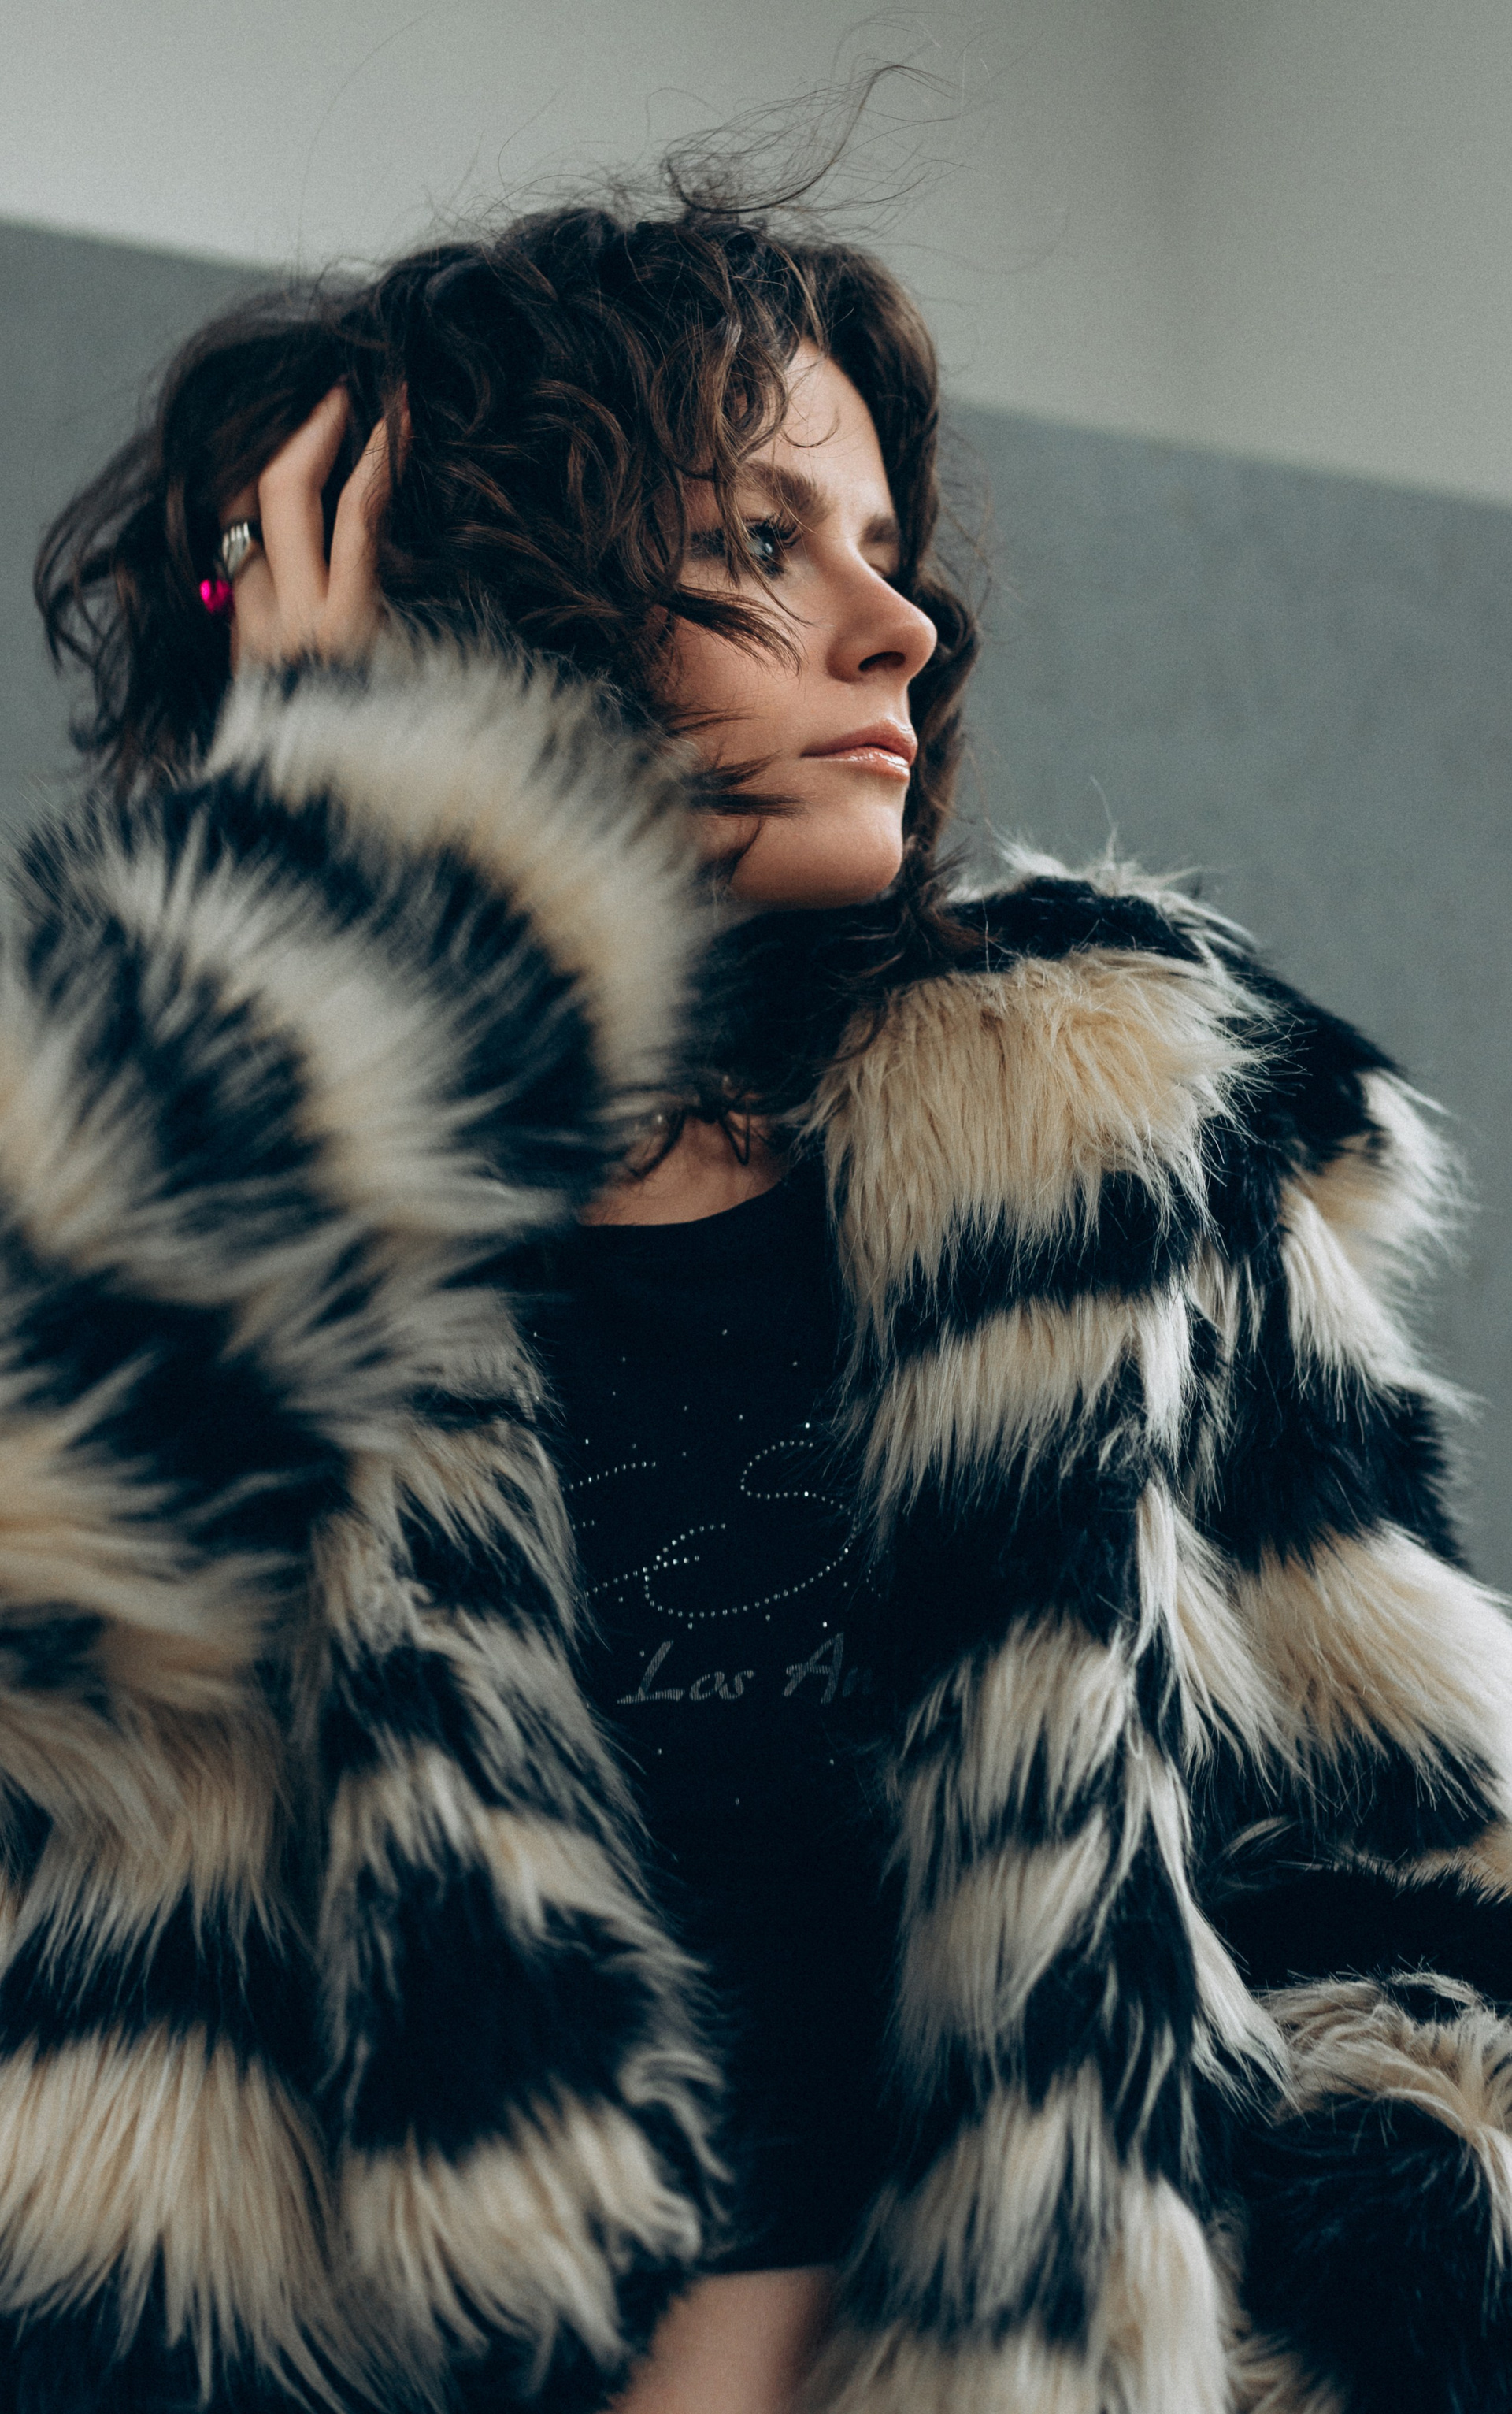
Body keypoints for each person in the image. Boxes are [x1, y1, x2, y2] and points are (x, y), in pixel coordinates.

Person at [17, 158, 1512, 2414]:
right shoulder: (221, 1196)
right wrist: (312, 911)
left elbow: (1432, 1883)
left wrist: (1285, 2332)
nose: (895, 628)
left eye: (885, 549)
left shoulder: (1106, 1156)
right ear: (491, 605)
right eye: (755, 543)